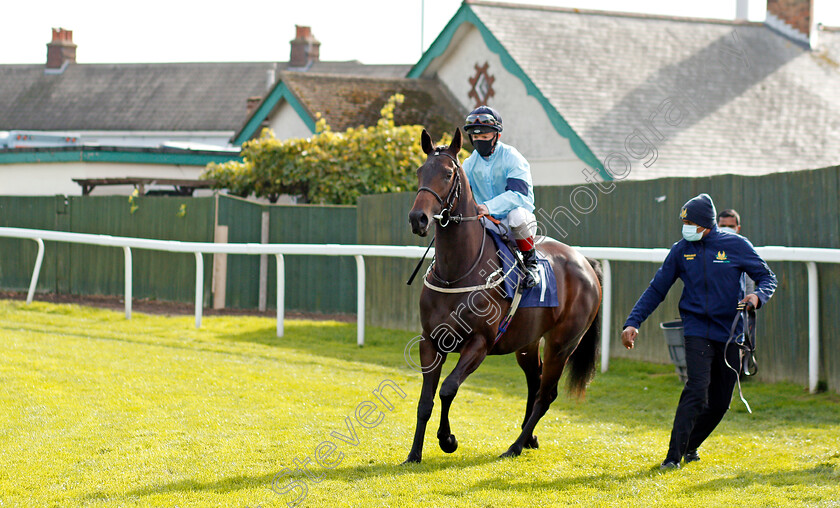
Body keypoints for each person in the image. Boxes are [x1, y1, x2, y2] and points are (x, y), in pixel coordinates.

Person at [620, 193, 777, 470]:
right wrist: (633, 322)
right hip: (695, 330)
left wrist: (757, 298)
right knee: (696, 389)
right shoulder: (681, 250)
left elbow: (767, 277)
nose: (686, 227)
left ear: (706, 223)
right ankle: (672, 457)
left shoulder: (736, 245)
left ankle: (690, 445)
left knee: (719, 403)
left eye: (691, 222)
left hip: (730, 333)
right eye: (684, 222)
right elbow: (657, 289)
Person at [462, 105, 540, 288]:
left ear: (497, 135)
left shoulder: (513, 158)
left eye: (484, 136)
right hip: (487, 223)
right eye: (476, 136)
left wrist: (488, 207)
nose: (479, 140)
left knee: (517, 216)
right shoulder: (468, 164)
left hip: (518, 226)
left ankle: (531, 264)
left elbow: (520, 196)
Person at [717, 209, 755, 296]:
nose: (726, 229)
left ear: (738, 228)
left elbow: (748, 283)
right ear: (716, 226)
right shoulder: (708, 248)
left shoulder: (744, 249)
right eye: (723, 225)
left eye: (731, 226)